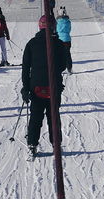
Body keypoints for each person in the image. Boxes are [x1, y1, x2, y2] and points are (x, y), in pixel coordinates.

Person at [21, 16, 71, 158]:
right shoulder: (59, 44)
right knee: (53, 117)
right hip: (53, 87)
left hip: (36, 88)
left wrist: (25, 88)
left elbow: (25, 68)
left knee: (35, 117)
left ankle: (32, 145)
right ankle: (56, 144)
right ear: (53, 27)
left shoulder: (31, 44)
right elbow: (62, 65)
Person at [55, 6, 73, 74]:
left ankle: (60, 68)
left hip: (60, 39)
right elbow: (69, 29)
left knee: (59, 54)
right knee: (68, 54)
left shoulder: (57, 22)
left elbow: (56, 30)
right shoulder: (68, 22)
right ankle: (69, 68)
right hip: (67, 39)